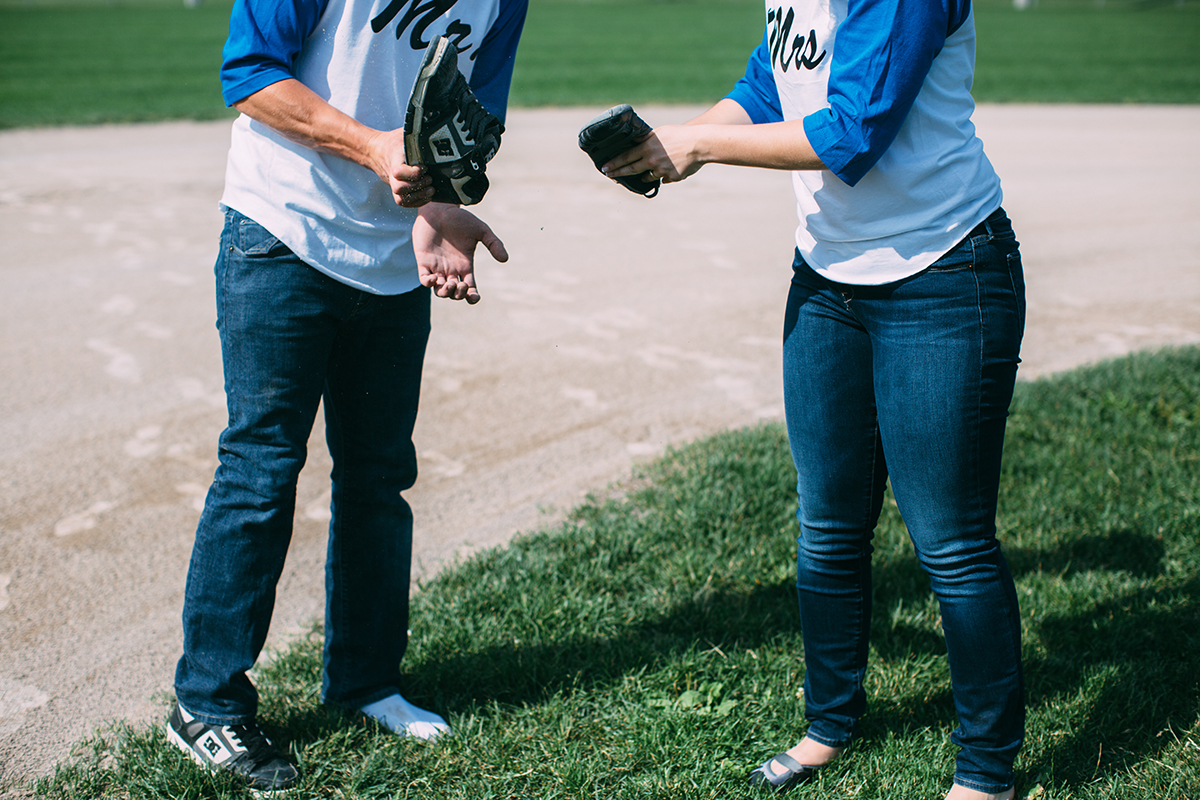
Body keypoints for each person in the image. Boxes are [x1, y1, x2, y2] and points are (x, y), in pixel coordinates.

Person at [601, 1, 1025, 798]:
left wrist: (698, 144)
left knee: (952, 543)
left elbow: (852, 131)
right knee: (827, 526)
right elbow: (773, 80)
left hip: (943, 274)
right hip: (827, 282)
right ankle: (828, 725)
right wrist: (672, 142)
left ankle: (986, 772)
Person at [166, 0, 526, 792]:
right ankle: (208, 704)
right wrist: (371, 146)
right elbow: (250, 72)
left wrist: (440, 203)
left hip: (395, 261)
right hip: (281, 231)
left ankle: (365, 681)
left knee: (377, 476)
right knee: (261, 468)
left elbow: (469, 123)